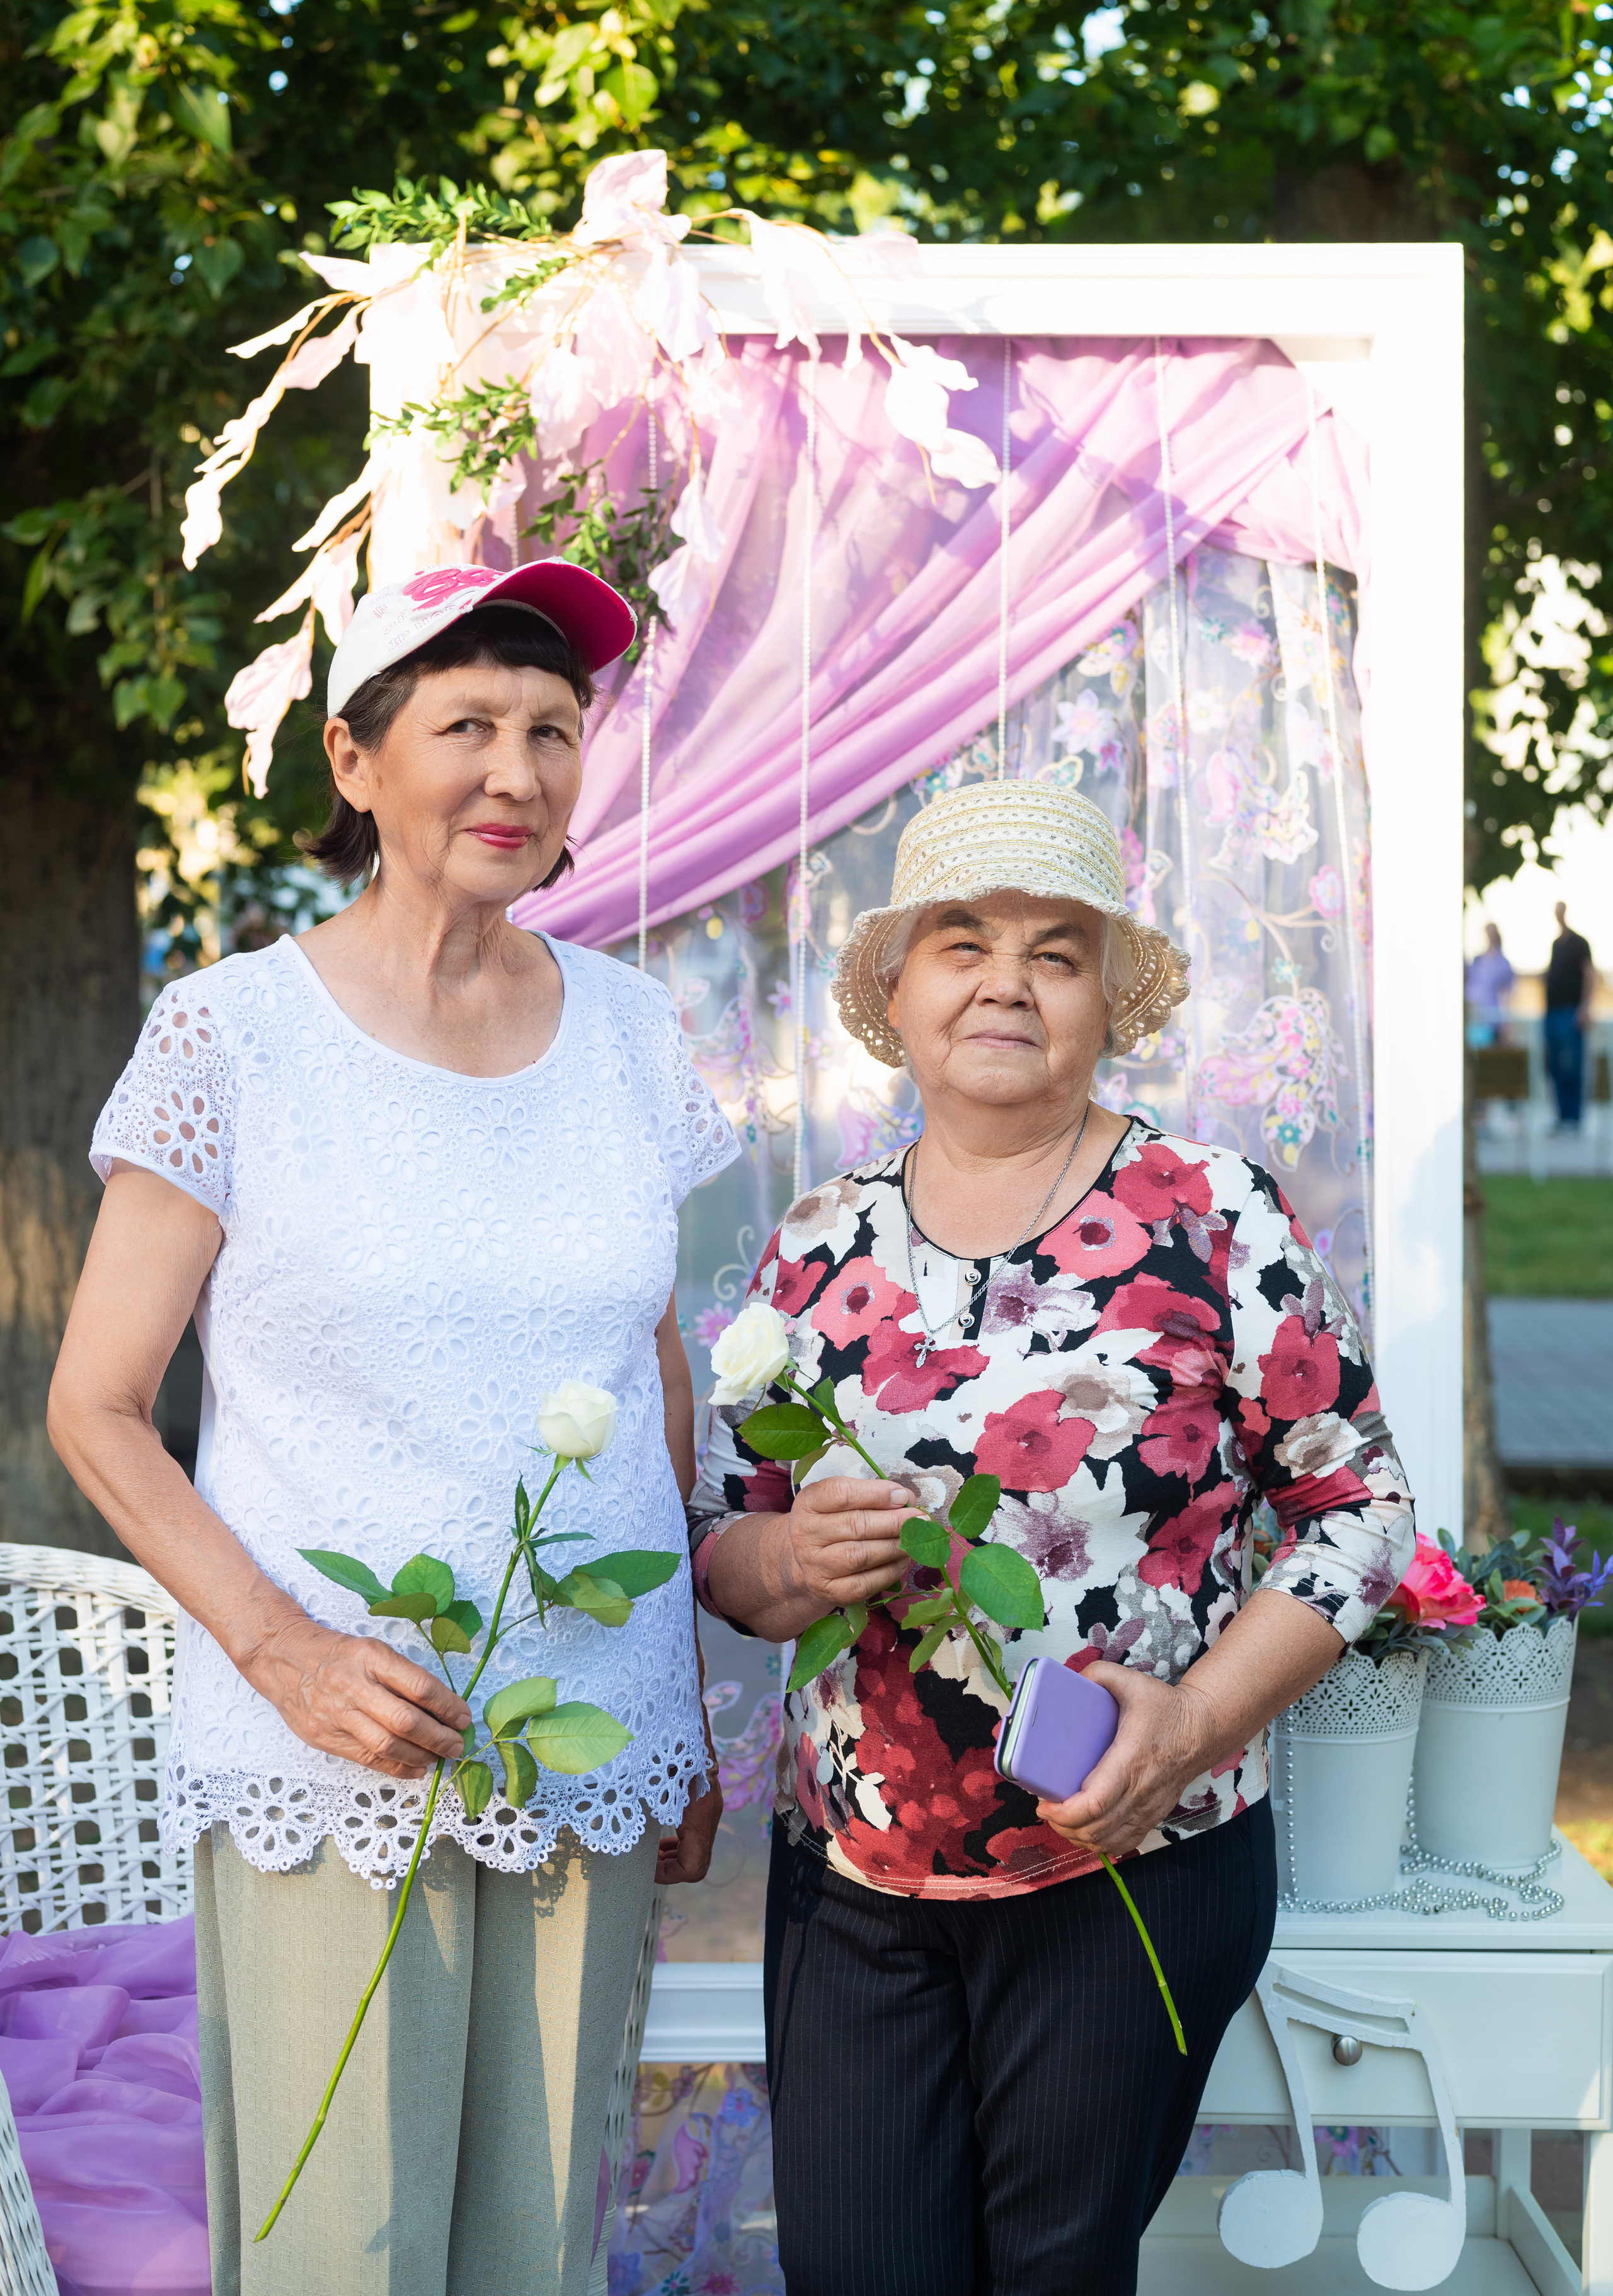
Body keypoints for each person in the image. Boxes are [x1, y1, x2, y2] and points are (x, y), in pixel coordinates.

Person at [48, 560, 738, 2296]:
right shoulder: (232, 1036)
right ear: (356, 763)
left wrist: (685, 1711)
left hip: (592, 1743)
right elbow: (100, 1408)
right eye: (468, 728)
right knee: (336, 2249)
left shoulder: (637, 1037)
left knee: (540, 2239)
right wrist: (286, 1655)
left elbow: (654, 1365)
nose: (517, 770)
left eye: (554, 732)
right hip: (331, 1747)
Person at [687, 780, 1415, 2296]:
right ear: (898, 988)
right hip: (857, 1880)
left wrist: (1194, 1721)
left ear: (1102, 1003)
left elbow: (1357, 1515)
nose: (1004, 978)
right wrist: (786, 1564)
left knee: (1049, 2276)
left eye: (1054, 948)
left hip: (1128, 1860)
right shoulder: (816, 1238)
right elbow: (726, 1542)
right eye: (960, 940)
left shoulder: (1213, 1216)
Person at [1544, 900, 1597, 1131]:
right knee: (1554, 1066)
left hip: (1571, 1013)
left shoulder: (1579, 943)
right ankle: (1562, 1117)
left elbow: (1590, 975)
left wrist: (1585, 1008)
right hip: (1552, 1013)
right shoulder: (1556, 944)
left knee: (1572, 1065)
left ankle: (1574, 1120)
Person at [1464, 920, 1515, 1046]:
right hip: (1475, 1018)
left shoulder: (1503, 964)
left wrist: (1505, 1023)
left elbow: (1506, 994)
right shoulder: (1477, 961)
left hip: (1492, 1020)